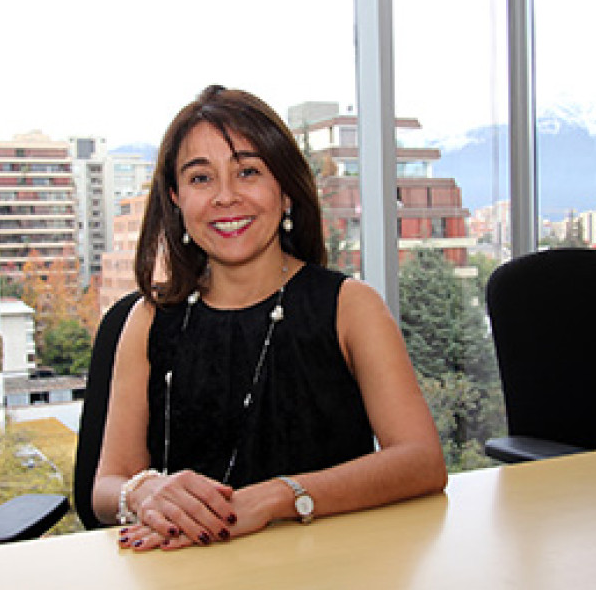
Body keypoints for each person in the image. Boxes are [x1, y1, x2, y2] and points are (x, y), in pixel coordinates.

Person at [91, 85, 447, 551]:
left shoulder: (351, 306)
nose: (225, 197)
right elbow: (105, 488)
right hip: (188, 570)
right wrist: (144, 491)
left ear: (285, 191)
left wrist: (276, 498)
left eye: (248, 172)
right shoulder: (148, 319)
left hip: (330, 565)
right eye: (200, 178)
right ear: (176, 198)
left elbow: (422, 461)